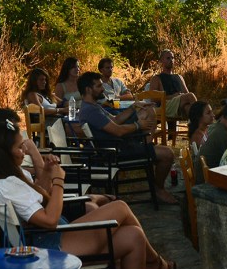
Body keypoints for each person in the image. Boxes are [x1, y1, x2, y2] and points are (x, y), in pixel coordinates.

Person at [0, 121, 175, 269]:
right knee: (120, 207)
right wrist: (59, 181)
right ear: (3, 153)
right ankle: (155, 263)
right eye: (19, 148)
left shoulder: (7, 176)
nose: (24, 151)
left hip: (49, 240)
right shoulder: (8, 185)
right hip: (50, 250)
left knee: (134, 235)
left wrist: (48, 173)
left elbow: (40, 200)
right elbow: (50, 220)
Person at [76, 72, 177, 204]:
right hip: (116, 151)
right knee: (168, 154)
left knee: (147, 110)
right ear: (88, 89)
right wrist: (138, 125)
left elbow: (116, 120)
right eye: (99, 86)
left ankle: (147, 149)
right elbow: (117, 131)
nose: (103, 89)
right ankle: (159, 189)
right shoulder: (91, 111)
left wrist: (133, 107)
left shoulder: (93, 106)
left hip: (118, 145)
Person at [147, 50, 197, 120]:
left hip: (179, 104)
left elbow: (186, 93)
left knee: (188, 108)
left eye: (172, 58)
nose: (171, 60)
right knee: (191, 96)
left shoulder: (179, 77)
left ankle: (196, 125)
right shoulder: (156, 78)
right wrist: (173, 96)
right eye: (168, 58)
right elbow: (153, 98)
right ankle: (202, 121)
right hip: (166, 105)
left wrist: (180, 96)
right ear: (161, 61)